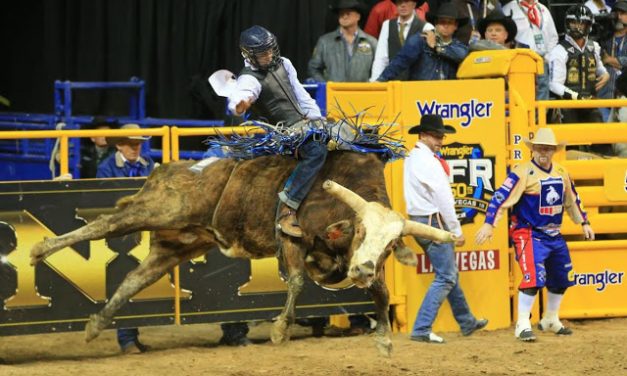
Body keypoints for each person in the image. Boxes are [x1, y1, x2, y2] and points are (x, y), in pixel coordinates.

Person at [475, 127, 595, 342]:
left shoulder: (561, 173)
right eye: (540, 148)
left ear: (554, 151)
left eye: (548, 149)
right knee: (533, 276)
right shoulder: (521, 172)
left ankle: (550, 318)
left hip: (553, 233)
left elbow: (573, 199)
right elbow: (499, 198)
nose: (543, 152)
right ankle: (522, 323)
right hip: (528, 232)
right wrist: (489, 224)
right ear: (533, 150)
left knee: (562, 277)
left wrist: (584, 222)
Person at [228, 25, 327, 238]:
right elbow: (243, 94)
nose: (270, 55)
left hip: (303, 124)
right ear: (249, 55)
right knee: (316, 151)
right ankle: (287, 208)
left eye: (271, 50)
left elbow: (300, 94)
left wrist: (318, 120)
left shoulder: (285, 64)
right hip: (282, 132)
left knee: (341, 138)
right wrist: (240, 103)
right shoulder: (249, 79)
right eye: (264, 53)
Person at [404, 114, 488, 344]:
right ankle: (422, 328)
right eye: (436, 136)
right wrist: (456, 230)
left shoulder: (413, 157)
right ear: (423, 135)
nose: (440, 140)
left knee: (448, 272)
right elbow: (444, 199)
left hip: (419, 219)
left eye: (441, 136)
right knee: (446, 276)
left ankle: (466, 321)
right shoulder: (429, 161)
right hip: (432, 221)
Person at [547, 5, 611, 156]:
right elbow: (554, 84)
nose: (577, 27)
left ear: (588, 25)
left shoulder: (594, 47)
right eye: (573, 23)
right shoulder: (559, 50)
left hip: (590, 102)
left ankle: (605, 173)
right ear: (567, 24)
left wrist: (606, 75)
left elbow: (600, 68)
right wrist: (575, 96)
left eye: (581, 23)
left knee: (602, 141)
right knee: (571, 146)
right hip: (568, 106)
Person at [376, 3, 469, 81]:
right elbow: (400, 62)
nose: (445, 26)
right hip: (420, 95)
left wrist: (437, 47)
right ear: (435, 23)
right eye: (442, 22)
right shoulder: (420, 40)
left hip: (446, 98)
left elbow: (461, 55)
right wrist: (380, 81)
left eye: (450, 22)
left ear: (456, 26)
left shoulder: (458, 46)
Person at [308, 0, 377, 82]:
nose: (344, 16)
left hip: (363, 93)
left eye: (348, 13)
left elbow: (378, 68)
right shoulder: (325, 42)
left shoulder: (371, 42)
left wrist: (371, 88)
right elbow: (313, 68)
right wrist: (325, 86)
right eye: (341, 14)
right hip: (333, 93)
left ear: (358, 16)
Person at [503, 0, 558, 100]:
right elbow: (504, 36)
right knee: (522, 90)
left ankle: (541, 115)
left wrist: (547, 56)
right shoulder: (508, 8)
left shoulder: (543, 9)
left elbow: (553, 37)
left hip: (541, 59)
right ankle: (523, 115)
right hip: (520, 58)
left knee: (542, 88)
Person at [369, 0, 435, 81]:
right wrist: (375, 82)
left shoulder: (427, 27)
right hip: (393, 83)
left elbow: (430, 62)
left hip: (416, 85)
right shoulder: (387, 25)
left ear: (414, 4)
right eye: (399, 2)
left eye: (407, 1)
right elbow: (381, 58)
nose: (403, 5)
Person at [598, 0, 627, 121]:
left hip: (624, 96)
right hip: (604, 96)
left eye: (623, 13)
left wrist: (609, 59)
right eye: (616, 13)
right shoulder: (604, 38)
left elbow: (605, 59)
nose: (619, 17)